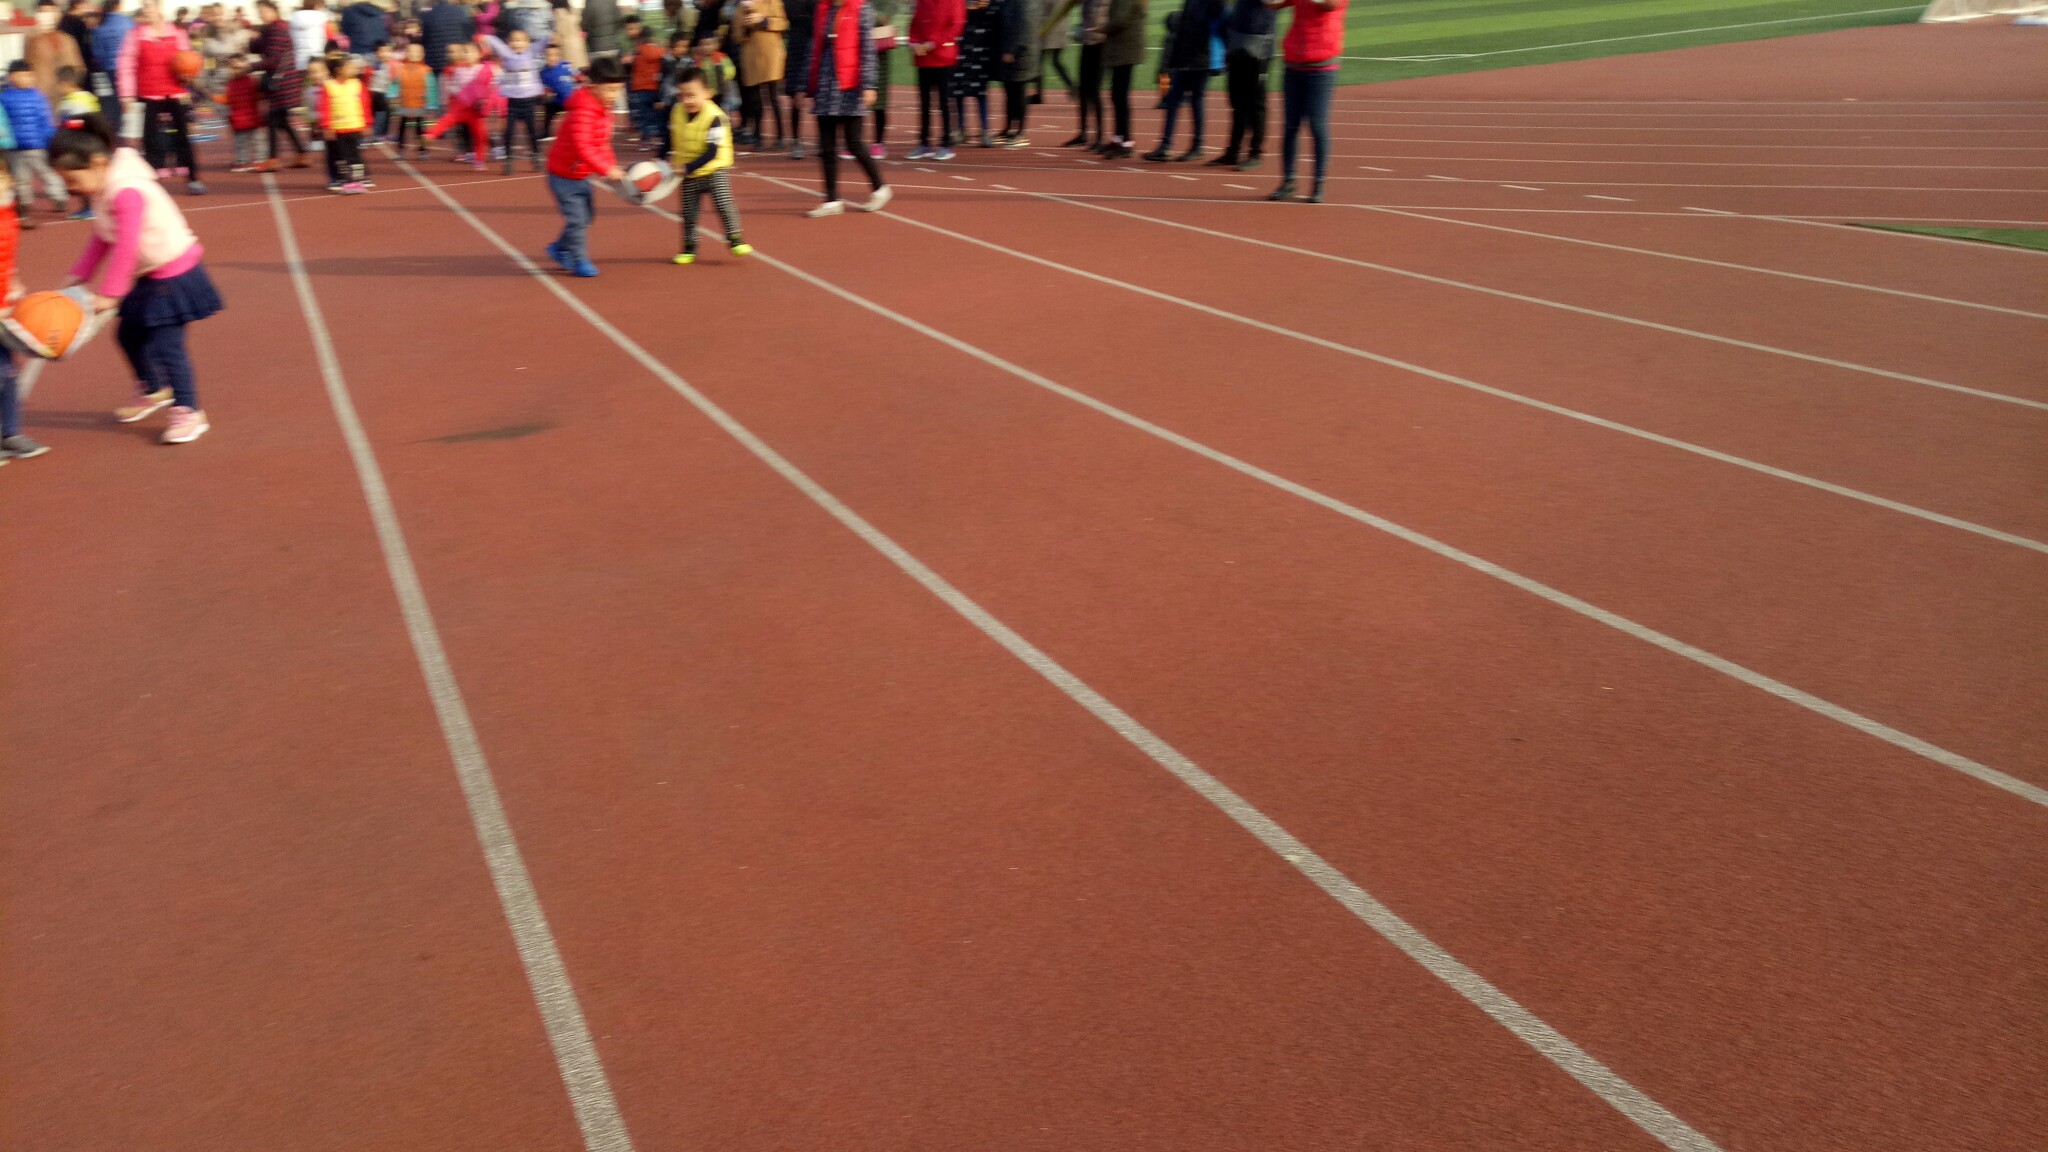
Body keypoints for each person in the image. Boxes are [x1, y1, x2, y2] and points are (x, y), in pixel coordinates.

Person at [53, 113, 223, 445]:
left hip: (174, 272)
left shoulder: (126, 191)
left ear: (98, 163)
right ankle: (154, 388)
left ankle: (189, 410)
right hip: (149, 273)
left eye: (72, 179)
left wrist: (110, 294)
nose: (69, 188)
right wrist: (79, 276)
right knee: (128, 334)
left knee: (167, 345)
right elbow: (103, 235)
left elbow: (127, 246)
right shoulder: (103, 187)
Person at [798, 0, 887, 216]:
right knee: (826, 146)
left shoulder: (861, 8)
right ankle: (831, 200)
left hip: (850, 85)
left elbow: (867, 50)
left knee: (853, 142)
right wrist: (804, 85)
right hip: (825, 84)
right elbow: (813, 49)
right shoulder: (823, 9)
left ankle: (880, 188)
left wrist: (869, 85)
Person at [666, 63, 752, 264]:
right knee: (689, 212)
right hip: (689, 172)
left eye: (691, 95)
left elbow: (712, 152)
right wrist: (662, 157)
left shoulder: (715, 117)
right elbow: (670, 137)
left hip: (713, 169)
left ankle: (735, 239)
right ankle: (689, 248)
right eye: (682, 95)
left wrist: (686, 168)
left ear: (707, 93)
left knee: (723, 202)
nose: (687, 100)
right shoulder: (677, 112)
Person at [117, 0, 206, 194]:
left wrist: (189, 75)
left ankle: (193, 178)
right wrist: (126, 95)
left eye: (149, 5)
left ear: (159, 7)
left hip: (177, 92)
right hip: (149, 94)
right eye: (143, 6)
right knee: (150, 140)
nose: (145, 9)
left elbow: (188, 60)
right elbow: (126, 65)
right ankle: (152, 180)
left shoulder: (177, 33)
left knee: (183, 136)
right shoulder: (135, 35)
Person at [543, 54, 620, 277]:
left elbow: (602, 143)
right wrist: (606, 169)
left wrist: (611, 165)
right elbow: (583, 147)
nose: (614, 95)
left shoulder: (604, 109)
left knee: (586, 217)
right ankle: (579, 260)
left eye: (618, 90)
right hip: (563, 175)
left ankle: (559, 248)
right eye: (610, 90)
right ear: (593, 86)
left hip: (579, 173)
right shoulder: (584, 111)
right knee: (577, 220)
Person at [1264, 0, 1338, 202]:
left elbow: (1331, 4)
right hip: (1294, 63)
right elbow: (1271, 3)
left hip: (1321, 66)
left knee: (1317, 124)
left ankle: (1318, 184)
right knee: (1290, 126)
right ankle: (1288, 181)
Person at [0, 165, 41, 464]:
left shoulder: (8, 215)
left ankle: (11, 432)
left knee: (8, 373)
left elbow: (6, 258)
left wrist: (12, 280)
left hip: (3, 307)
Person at [1145, 0, 1217, 161]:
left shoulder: (1208, 5)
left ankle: (1189, 145)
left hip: (1199, 59)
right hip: (1187, 58)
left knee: (1194, 100)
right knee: (1177, 100)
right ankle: (1170, 146)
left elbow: (1210, 26)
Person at [3, 62, 70, 224]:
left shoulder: (38, 97)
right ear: (11, 77)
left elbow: (46, 120)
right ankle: (24, 206)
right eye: (20, 75)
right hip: (15, 149)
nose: (25, 79)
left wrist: (50, 139)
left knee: (47, 173)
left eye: (28, 75)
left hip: (38, 146)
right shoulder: (4, 98)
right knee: (21, 179)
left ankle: (59, 196)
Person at [480, 22, 549, 170]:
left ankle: (536, 155)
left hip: (529, 102)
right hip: (513, 103)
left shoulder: (531, 53)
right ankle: (508, 159)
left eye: (521, 40)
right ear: (509, 43)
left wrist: (551, 36)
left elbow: (542, 43)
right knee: (509, 132)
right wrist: (486, 37)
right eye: (514, 41)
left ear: (528, 43)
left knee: (532, 131)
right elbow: (497, 44)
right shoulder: (507, 55)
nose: (517, 43)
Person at [1210, 0, 1269, 169]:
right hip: (1237, 46)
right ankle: (1233, 151)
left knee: (1256, 104)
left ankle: (1255, 153)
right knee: (1237, 103)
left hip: (1258, 49)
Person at [1039, 0, 1099, 148]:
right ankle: (1085, 133)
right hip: (1086, 40)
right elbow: (1069, 6)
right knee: (1085, 90)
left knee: (1094, 92)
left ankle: (1099, 137)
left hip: (1098, 43)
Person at [905, 0, 959, 160]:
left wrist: (933, 43)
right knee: (924, 103)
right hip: (924, 59)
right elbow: (915, 24)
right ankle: (924, 144)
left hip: (943, 59)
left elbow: (954, 27)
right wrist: (914, 43)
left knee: (944, 103)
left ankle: (946, 144)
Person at [425, 40, 491, 167]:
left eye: (470, 52)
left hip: (475, 109)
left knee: (480, 135)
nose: (466, 55)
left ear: (479, 54)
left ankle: (479, 160)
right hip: (461, 106)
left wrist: (486, 101)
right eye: (465, 52)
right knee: (447, 120)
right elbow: (453, 86)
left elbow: (490, 86)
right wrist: (457, 94)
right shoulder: (459, 70)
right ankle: (429, 135)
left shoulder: (484, 69)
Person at [730, 0, 786, 149]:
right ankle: (758, 136)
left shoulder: (772, 2)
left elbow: (783, 23)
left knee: (773, 98)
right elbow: (736, 36)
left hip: (771, 56)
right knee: (755, 100)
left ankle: (781, 136)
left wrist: (763, 20)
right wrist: (746, 27)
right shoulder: (741, 8)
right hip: (751, 58)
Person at [315, 50, 370, 190]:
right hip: (337, 129)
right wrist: (326, 126)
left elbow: (365, 104)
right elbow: (324, 108)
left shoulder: (357, 84)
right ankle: (337, 178)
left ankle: (358, 178)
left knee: (355, 155)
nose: (354, 69)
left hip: (354, 126)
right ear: (339, 70)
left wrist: (367, 123)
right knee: (338, 156)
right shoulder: (328, 86)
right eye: (349, 67)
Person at [1096, 0, 1141, 157]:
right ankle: (1119, 138)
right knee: (1117, 95)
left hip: (1125, 50)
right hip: (1123, 49)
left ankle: (1126, 142)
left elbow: (1120, 21)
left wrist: (1102, 28)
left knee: (1120, 96)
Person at [27, 1, 88, 107]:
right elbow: (27, 65)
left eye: (50, 11)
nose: (46, 15)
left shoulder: (68, 39)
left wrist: (71, 83)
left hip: (67, 96)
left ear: (58, 14)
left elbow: (79, 67)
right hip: (43, 96)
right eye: (42, 11)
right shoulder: (32, 39)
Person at [991, 0, 1034, 145]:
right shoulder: (1009, 2)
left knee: (1019, 92)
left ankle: (1021, 131)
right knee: (1009, 92)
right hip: (1008, 50)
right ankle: (1009, 128)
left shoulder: (1022, 4)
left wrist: (1012, 50)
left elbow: (1022, 28)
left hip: (1019, 54)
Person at [949, 0, 991, 147]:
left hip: (980, 47)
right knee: (958, 91)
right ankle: (961, 129)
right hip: (960, 45)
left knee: (980, 93)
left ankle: (985, 131)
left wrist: (984, 5)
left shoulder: (985, 11)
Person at [387, 39, 437, 154]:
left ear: (422, 54)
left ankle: (422, 149)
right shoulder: (401, 69)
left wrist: (432, 103)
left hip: (420, 103)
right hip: (405, 102)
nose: (414, 54)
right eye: (411, 51)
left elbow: (431, 87)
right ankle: (401, 147)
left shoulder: (426, 70)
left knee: (420, 128)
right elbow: (395, 84)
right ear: (406, 53)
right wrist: (391, 94)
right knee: (402, 126)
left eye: (417, 52)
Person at [224, 53, 267, 170]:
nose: (235, 71)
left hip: (249, 117)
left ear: (246, 66)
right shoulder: (234, 83)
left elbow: (259, 97)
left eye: (238, 67)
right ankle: (245, 160)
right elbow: (230, 100)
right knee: (244, 142)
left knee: (255, 141)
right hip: (243, 118)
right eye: (232, 68)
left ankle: (255, 160)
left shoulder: (250, 81)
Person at [626, 17, 663, 144]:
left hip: (640, 88)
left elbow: (631, 65)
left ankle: (645, 138)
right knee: (657, 113)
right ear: (652, 38)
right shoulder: (660, 52)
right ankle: (659, 135)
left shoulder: (638, 51)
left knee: (643, 114)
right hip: (655, 87)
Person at [93, 0, 135, 101]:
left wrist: (105, 64)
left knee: (116, 98)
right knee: (128, 96)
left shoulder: (100, 25)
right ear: (118, 5)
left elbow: (98, 52)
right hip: (127, 66)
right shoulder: (129, 22)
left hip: (110, 68)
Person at [416, 0, 474, 69]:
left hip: (434, 60)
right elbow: (469, 36)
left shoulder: (427, 15)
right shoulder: (461, 12)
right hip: (456, 60)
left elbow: (423, 38)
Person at [538, 39, 573, 136]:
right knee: (548, 109)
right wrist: (545, 93)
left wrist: (580, 77)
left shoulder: (565, 66)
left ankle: (573, 130)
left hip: (570, 100)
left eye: (555, 55)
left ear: (559, 56)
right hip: (557, 100)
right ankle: (545, 133)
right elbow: (543, 87)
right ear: (545, 57)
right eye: (549, 55)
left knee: (574, 115)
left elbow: (576, 76)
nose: (552, 58)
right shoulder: (543, 72)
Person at [289, 0, 331, 69]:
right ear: (316, 6)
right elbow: (330, 37)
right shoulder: (322, 18)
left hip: (299, 60)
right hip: (318, 58)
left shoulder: (294, 19)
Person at [551, 0, 587, 68]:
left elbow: (557, 39)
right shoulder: (574, 13)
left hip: (567, 54)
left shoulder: (558, 17)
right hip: (579, 50)